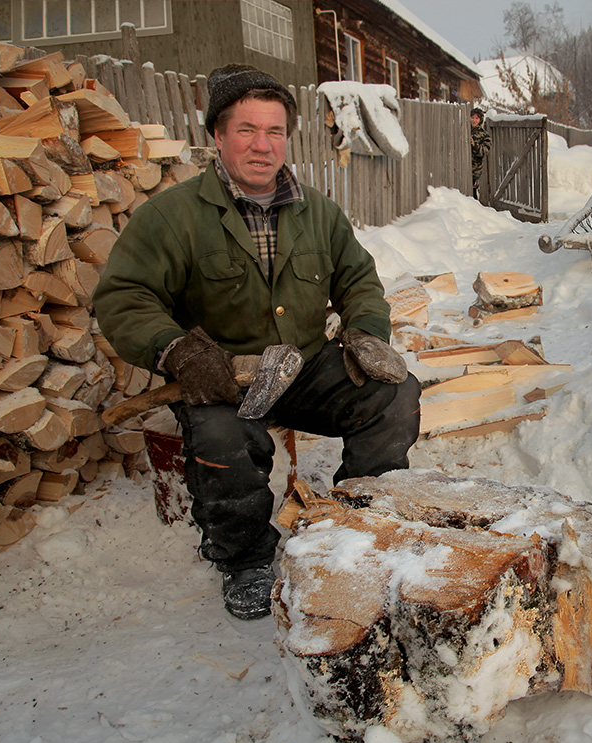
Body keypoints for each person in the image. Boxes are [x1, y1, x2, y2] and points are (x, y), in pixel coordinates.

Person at [93, 64, 421, 621]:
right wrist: (179, 351)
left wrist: (366, 331)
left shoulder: (317, 211)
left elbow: (358, 280)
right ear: (216, 136)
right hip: (224, 375)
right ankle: (245, 558)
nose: (262, 145)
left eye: (274, 131)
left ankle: (361, 524)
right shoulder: (173, 218)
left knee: (394, 395)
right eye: (246, 130)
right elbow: (124, 297)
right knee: (223, 443)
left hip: (308, 365)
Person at [469, 107, 491, 200]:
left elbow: (484, 151)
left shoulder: (484, 135)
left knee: (472, 194)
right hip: (462, 167)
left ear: (480, 119)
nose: (474, 120)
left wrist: (475, 145)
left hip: (474, 170)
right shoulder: (465, 130)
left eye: (476, 118)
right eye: (472, 117)